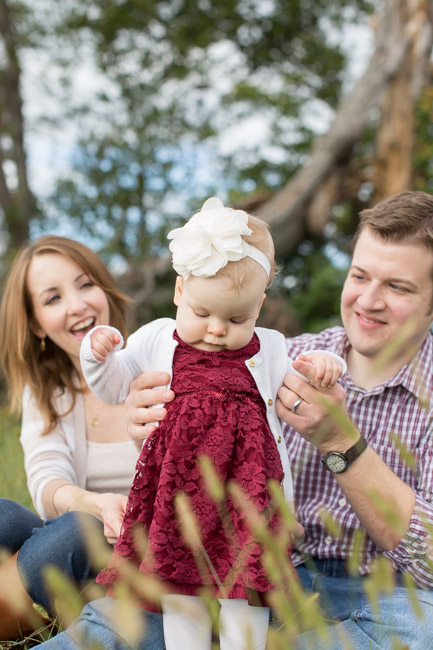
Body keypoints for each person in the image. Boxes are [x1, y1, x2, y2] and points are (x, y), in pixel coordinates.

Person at [36, 190, 433, 650]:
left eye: (398, 286)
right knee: (131, 614)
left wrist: (341, 442)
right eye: (359, 275)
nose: (368, 300)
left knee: (424, 627)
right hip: (255, 567)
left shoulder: (283, 358)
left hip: (376, 595)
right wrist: (146, 425)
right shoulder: (281, 352)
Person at [79, 197, 345, 650]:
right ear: (180, 292)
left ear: (259, 306)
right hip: (179, 494)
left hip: (249, 498)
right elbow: (113, 385)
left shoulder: (272, 348)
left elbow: (304, 381)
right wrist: (96, 352)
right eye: (203, 314)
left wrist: (325, 363)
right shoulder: (159, 337)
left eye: (237, 318)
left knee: (248, 587)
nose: (217, 329)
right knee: (181, 587)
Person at [0, 235, 164, 645]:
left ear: (105, 290)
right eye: (53, 298)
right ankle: (58, 607)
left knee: (73, 531)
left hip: (152, 554)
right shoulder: (50, 392)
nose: (77, 305)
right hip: (81, 547)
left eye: (85, 284)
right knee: (5, 516)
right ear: (36, 322)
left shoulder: (159, 364)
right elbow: (46, 480)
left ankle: (37, 613)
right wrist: (96, 505)